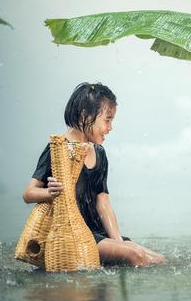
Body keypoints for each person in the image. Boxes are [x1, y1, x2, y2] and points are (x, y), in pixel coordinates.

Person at [23, 82, 165, 267]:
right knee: (136, 256)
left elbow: (103, 202)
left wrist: (119, 242)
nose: (110, 127)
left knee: (158, 260)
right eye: (107, 120)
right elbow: (28, 193)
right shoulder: (58, 149)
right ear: (85, 115)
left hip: (99, 233)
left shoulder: (99, 153)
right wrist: (49, 194)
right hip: (76, 235)